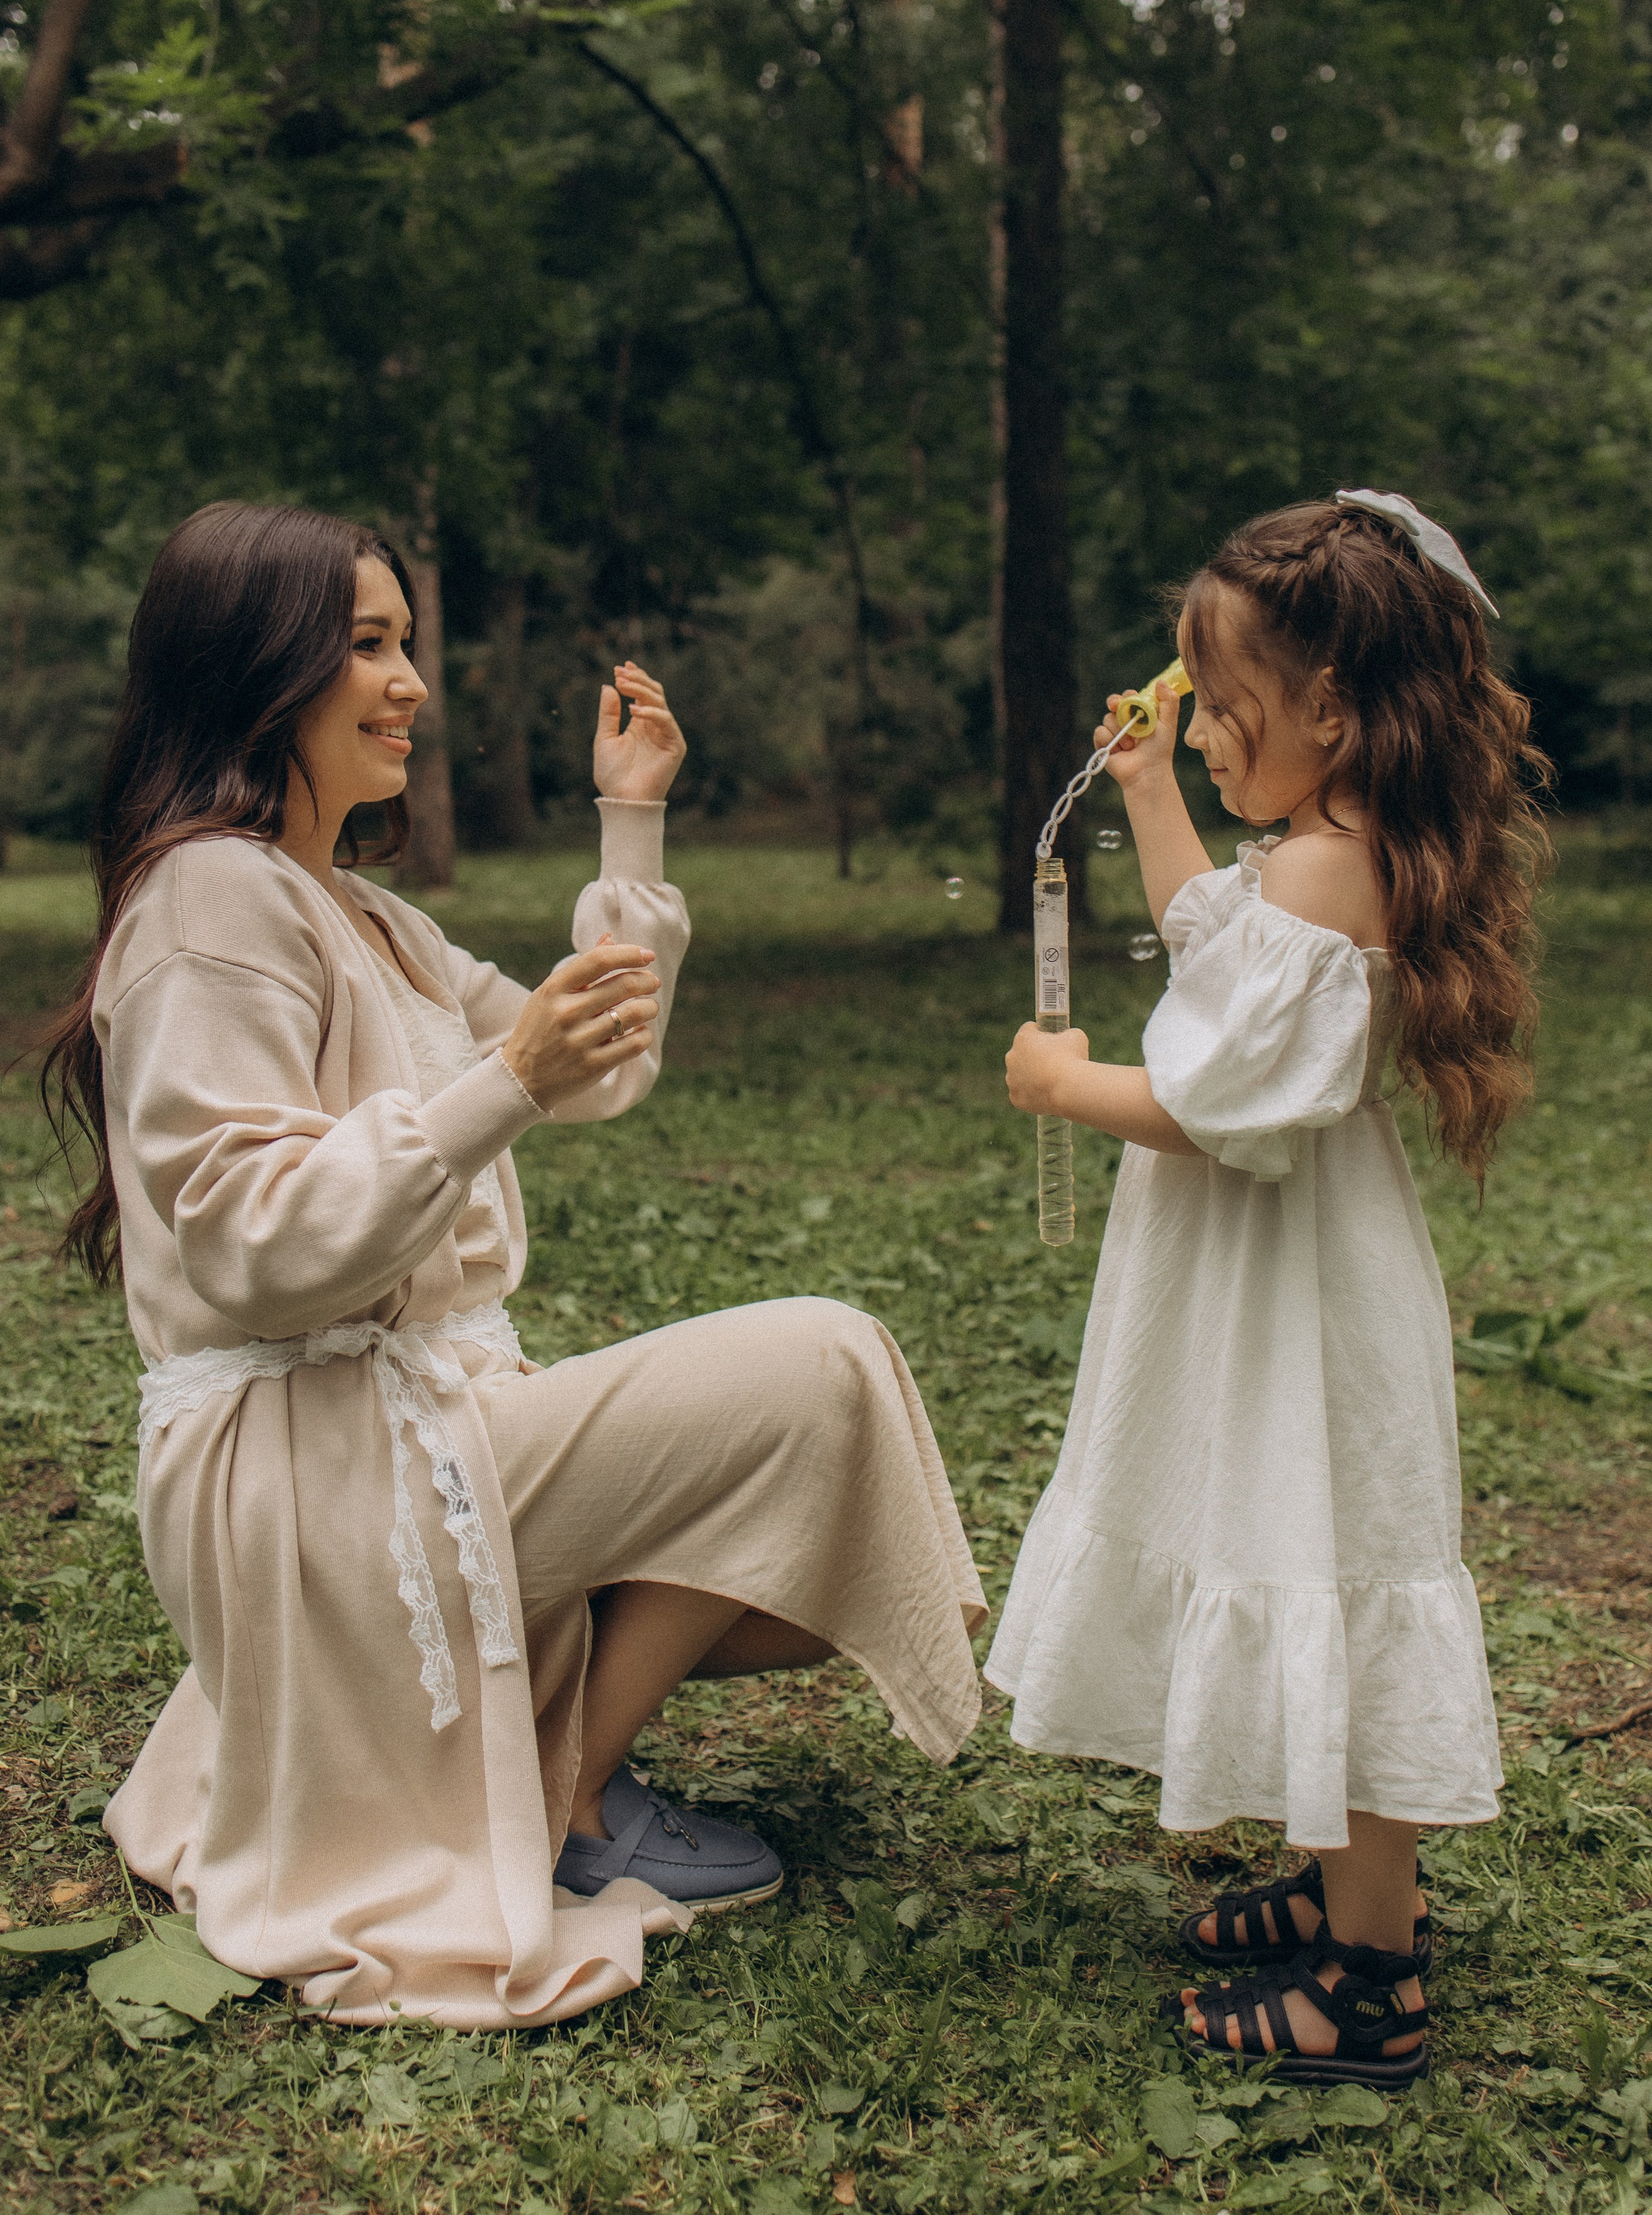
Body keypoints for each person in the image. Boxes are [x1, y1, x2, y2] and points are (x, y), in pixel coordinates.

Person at [43, 502, 985, 2030]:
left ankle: (543, 1758)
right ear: (256, 669)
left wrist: (630, 826)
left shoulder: (360, 910)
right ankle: (565, 1800)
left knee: (816, 1501)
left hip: (406, 1415)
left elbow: (590, 1064)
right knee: (819, 1370)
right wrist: (503, 1086)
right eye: (365, 644)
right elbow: (250, 1245)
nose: (409, 678)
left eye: (405, 639)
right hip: (304, 1458)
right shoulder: (208, 900)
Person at [987, 492, 1548, 2089]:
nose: (1207, 733)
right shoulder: (1316, 854)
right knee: (1287, 1542)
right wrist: (1152, 792)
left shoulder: (1330, 875)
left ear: (1335, 711)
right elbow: (1206, 946)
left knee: (1330, 1572)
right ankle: (1333, 1890)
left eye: (1223, 712)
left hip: (1297, 1299)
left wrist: (1062, 1085)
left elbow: (1212, 1099)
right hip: (1271, 1288)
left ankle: (1370, 1974)